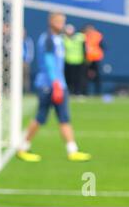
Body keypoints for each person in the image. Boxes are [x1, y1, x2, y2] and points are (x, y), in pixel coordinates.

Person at [16, 12, 91, 162]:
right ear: (51, 22)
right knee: (40, 117)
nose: (60, 24)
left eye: (62, 21)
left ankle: (72, 150)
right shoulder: (48, 39)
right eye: (57, 21)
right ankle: (23, 147)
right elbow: (49, 62)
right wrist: (56, 84)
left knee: (64, 118)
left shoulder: (59, 39)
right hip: (49, 85)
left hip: (58, 84)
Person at [64, 24, 86, 96]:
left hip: (79, 61)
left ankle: (78, 92)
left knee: (79, 79)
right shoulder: (63, 38)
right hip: (68, 62)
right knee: (69, 79)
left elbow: (85, 48)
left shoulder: (80, 37)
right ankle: (70, 92)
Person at [83, 24, 104, 96]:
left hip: (95, 58)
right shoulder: (83, 36)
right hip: (87, 59)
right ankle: (85, 92)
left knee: (97, 77)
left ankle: (98, 93)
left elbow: (102, 46)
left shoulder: (97, 36)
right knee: (85, 77)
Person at [23, 29, 35, 93]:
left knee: (26, 77)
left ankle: (26, 91)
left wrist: (27, 60)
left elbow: (30, 51)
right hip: (17, 62)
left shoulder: (28, 41)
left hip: (25, 62)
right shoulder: (16, 40)